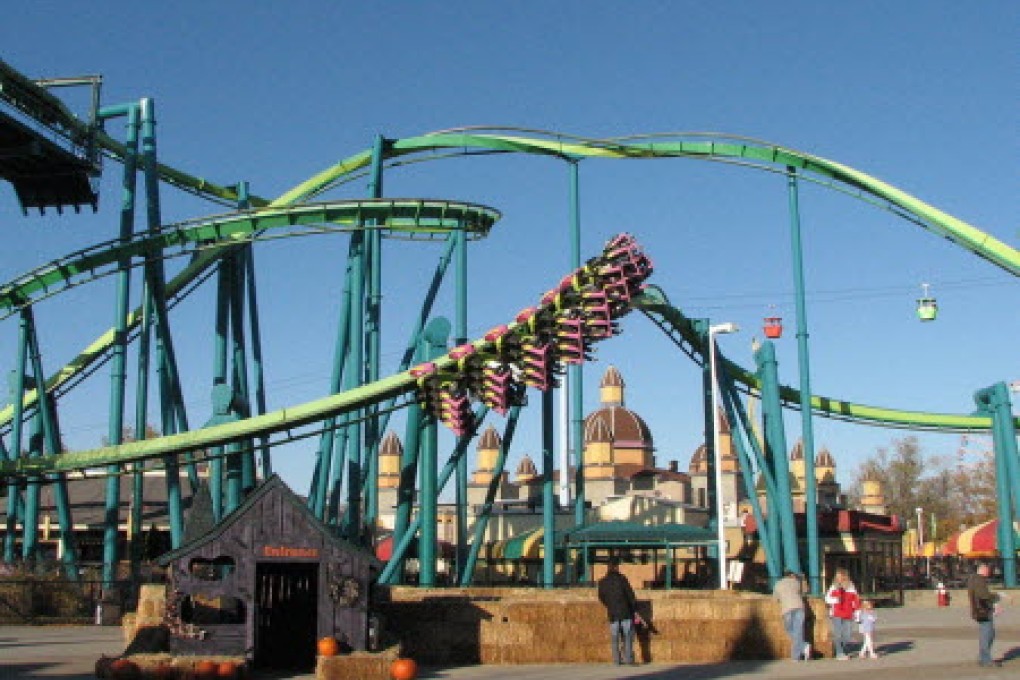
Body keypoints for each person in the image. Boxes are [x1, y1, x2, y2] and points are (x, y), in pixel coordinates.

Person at [597, 557, 641, 665]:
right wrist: (634, 608)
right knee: (627, 636)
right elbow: (630, 595)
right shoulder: (622, 580)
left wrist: (609, 605)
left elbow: (601, 597)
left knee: (614, 636)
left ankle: (616, 660)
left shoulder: (603, 582)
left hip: (612, 613)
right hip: (625, 611)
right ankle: (628, 659)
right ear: (617, 567)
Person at [967, 562, 1001, 668]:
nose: (989, 572)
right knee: (988, 634)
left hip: (980, 610)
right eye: (987, 570)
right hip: (982, 611)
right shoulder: (979, 580)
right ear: (981, 570)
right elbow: (983, 595)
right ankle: (985, 659)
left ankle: (983, 657)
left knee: (987, 633)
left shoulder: (974, 579)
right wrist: (996, 596)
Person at [773, 571, 810, 661]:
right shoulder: (796, 582)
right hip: (799, 606)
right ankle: (802, 647)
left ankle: (797, 653)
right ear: (791, 576)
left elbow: (775, 599)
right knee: (798, 631)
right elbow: (805, 592)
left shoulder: (778, 584)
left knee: (789, 629)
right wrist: (803, 579)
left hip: (787, 608)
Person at [824, 568, 860, 660]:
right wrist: (836, 600)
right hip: (836, 613)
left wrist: (857, 611)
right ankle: (839, 653)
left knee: (847, 634)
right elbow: (827, 599)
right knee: (838, 633)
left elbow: (855, 599)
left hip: (848, 613)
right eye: (837, 576)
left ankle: (842, 650)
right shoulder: (833, 586)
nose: (838, 578)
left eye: (840, 576)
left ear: (845, 576)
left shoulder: (851, 586)